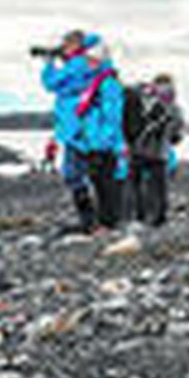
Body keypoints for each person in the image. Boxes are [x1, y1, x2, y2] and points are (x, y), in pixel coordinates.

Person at [38, 30, 126, 232]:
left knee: (99, 180)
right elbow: (53, 84)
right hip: (76, 136)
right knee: (76, 177)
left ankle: (101, 223)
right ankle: (91, 222)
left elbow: (113, 116)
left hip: (91, 138)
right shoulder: (78, 70)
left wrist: (103, 141)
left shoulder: (97, 75)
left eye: (67, 44)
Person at [125, 73, 184, 226]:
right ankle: (158, 217)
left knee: (136, 184)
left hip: (138, 148)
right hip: (159, 151)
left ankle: (140, 216)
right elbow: (176, 134)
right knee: (158, 186)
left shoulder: (142, 99)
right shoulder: (174, 107)